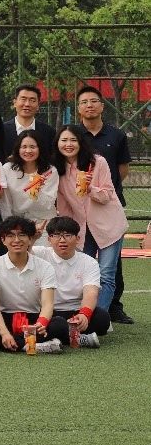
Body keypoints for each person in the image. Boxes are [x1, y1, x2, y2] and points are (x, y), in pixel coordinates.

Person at [75, 85, 135, 324]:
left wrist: (104, 189)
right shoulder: (73, 135)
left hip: (108, 204)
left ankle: (112, 308)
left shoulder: (116, 135)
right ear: (78, 108)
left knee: (111, 264)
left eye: (94, 101)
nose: (89, 105)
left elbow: (122, 169)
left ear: (102, 105)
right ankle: (82, 310)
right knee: (84, 259)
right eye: (84, 102)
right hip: (81, 208)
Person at [53, 124, 125, 312]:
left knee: (106, 275)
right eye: (64, 140)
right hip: (82, 228)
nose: (68, 144)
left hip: (108, 225)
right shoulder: (58, 169)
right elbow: (64, 205)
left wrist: (89, 189)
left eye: (73, 140)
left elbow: (107, 194)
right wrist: (68, 231)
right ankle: (83, 313)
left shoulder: (97, 162)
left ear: (81, 143)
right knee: (82, 273)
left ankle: (97, 317)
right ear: (57, 143)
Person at [0, 216, 61, 353]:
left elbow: (47, 304)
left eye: (22, 235)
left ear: (30, 239)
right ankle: (27, 345)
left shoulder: (45, 267)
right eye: (11, 235)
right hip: (4, 318)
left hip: (33, 318)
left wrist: (41, 324)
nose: (16, 240)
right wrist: (4, 333)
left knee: (59, 324)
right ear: (3, 240)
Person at [34, 216, 107, 347]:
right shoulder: (40, 254)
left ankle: (59, 337)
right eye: (56, 235)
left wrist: (84, 314)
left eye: (68, 235)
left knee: (102, 319)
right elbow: (20, 254)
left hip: (75, 311)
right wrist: (33, 238)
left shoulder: (88, 262)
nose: (62, 240)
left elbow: (91, 292)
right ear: (49, 239)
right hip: (47, 311)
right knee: (57, 325)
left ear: (77, 238)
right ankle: (78, 338)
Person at [0, 131, 57, 242]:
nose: (28, 151)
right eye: (24, 147)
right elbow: (5, 202)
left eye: (32, 147)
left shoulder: (50, 171)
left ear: (40, 148)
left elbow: (48, 204)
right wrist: (9, 225)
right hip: (17, 224)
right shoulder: (8, 169)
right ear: (18, 149)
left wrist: (38, 190)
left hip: (43, 222)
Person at [0, 84, 56, 161]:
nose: (27, 104)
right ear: (15, 102)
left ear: (38, 105)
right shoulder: (1, 131)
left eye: (32, 100)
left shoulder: (49, 132)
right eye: (23, 99)